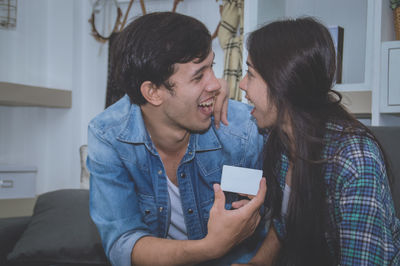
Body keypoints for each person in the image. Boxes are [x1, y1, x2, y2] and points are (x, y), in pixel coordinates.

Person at [87, 12, 268, 266]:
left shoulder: (242, 129)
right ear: (152, 92)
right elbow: (122, 243)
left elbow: (284, 220)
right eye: (198, 76)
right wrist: (209, 248)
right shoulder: (108, 137)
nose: (217, 84)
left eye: (211, 68)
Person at [236, 17, 400, 265]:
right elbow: (284, 225)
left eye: (250, 73)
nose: (242, 85)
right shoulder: (282, 142)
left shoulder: (354, 160)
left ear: (283, 82)